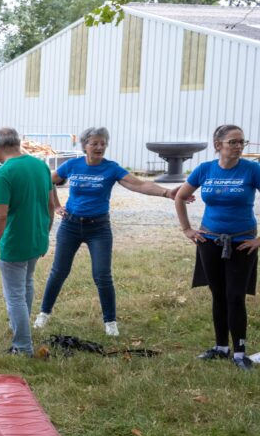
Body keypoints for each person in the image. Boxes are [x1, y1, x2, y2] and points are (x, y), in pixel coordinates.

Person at [34, 127, 181, 337]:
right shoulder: (73, 165)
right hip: (70, 226)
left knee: (102, 275)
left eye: (102, 143)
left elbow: (138, 185)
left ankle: (110, 322)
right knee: (58, 272)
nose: (99, 147)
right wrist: (56, 205)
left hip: (99, 228)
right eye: (94, 143)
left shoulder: (111, 168)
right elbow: (47, 181)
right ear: (85, 146)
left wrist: (167, 193)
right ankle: (44, 314)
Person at [175, 124, 260, 371]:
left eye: (241, 142)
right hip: (209, 242)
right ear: (218, 145)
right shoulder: (204, 170)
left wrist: (258, 240)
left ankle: (240, 352)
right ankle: (221, 348)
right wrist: (187, 230)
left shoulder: (252, 170)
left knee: (235, 296)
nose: (238, 146)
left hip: (242, 242)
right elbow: (180, 196)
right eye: (233, 141)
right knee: (218, 294)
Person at [0, 127, 56, 356]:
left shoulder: (4, 173)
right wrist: (44, 233)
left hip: (15, 242)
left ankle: (23, 345)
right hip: (36, 239)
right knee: (26, 284)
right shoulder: (41, 166)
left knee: (14, 295)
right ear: (18, 142)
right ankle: (20, 329)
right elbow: (51, 205)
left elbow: (0, 215)